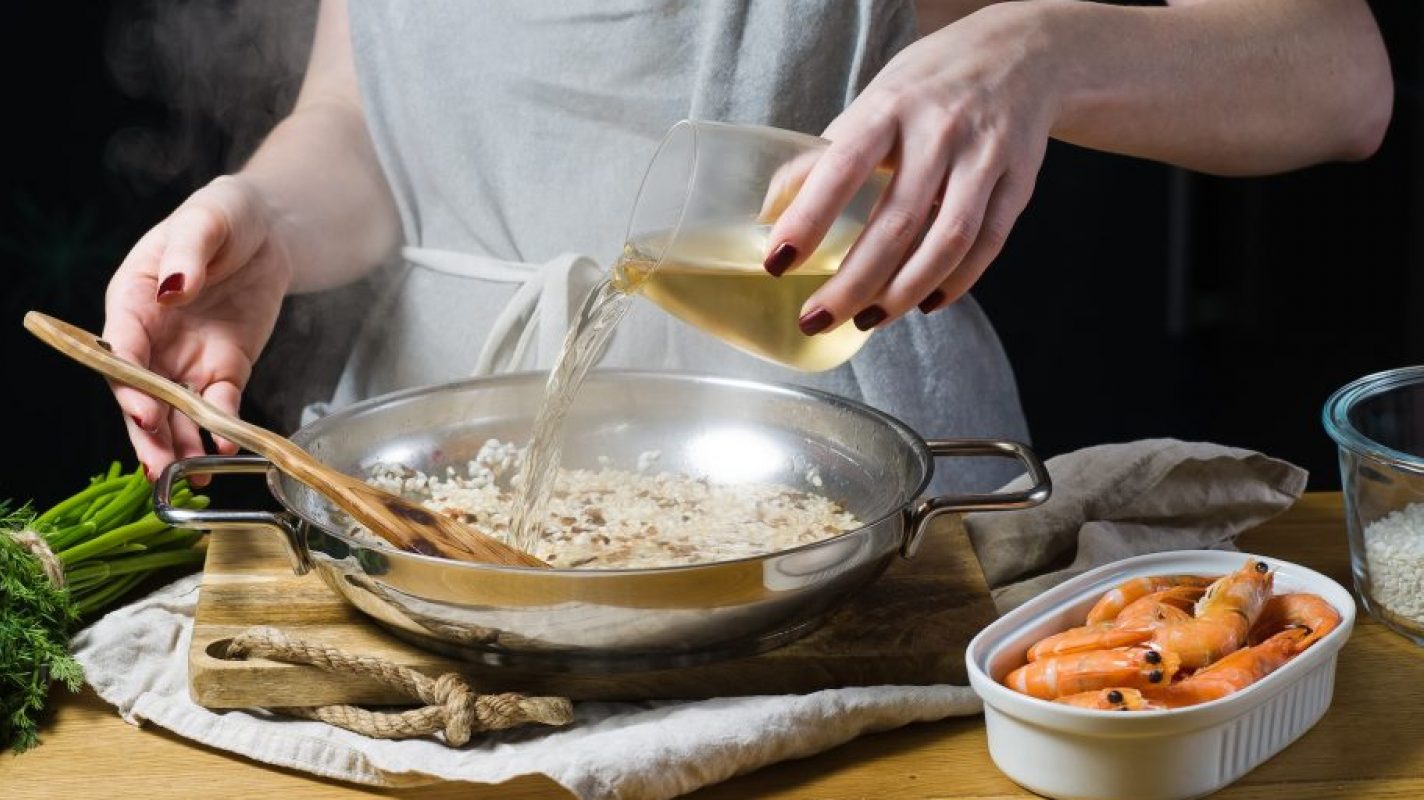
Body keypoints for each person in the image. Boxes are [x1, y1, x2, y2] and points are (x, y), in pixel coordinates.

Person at [102, 0, 1391, 492]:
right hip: (441, 491)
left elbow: (1336, 75)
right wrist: (266, 213)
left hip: (851, 497)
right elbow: (362, 117)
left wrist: (1043, 52)